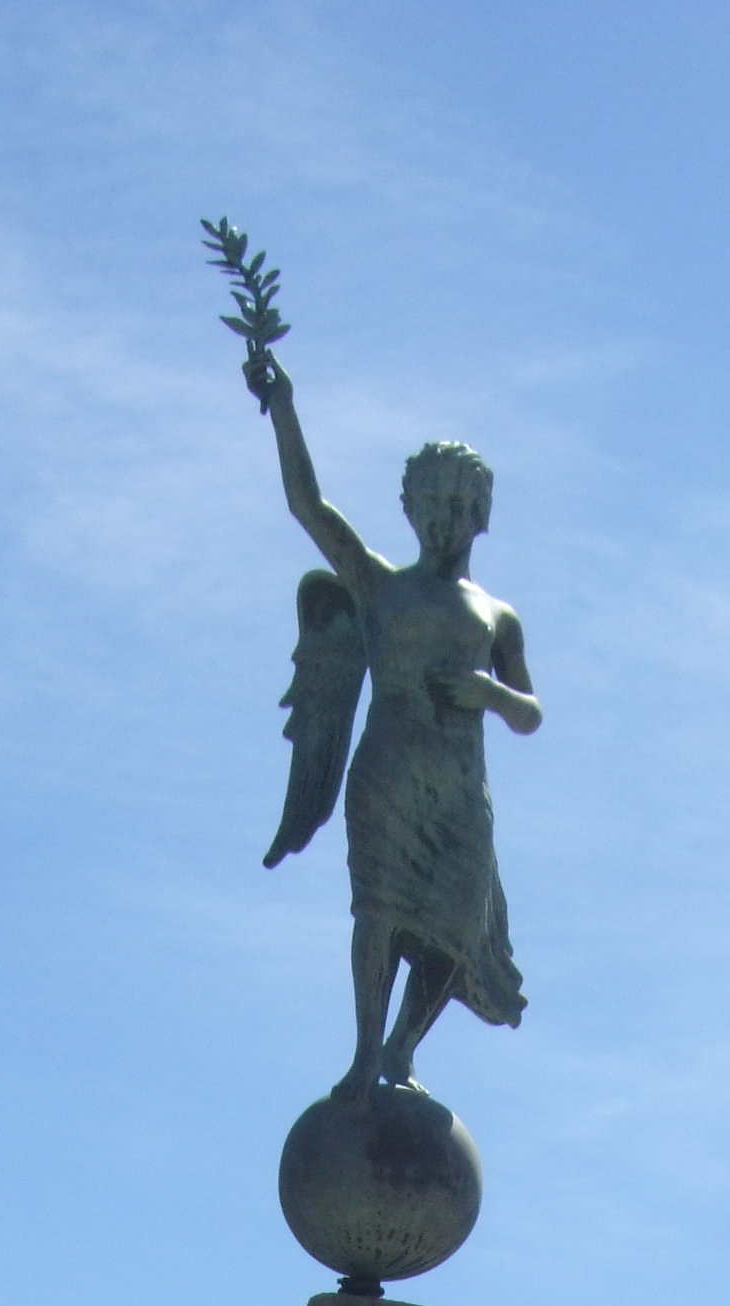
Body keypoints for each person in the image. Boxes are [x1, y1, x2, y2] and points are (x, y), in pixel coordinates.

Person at [252, 354, 541, 1099]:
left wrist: (489, 693)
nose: (444, 520)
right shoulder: (381, 588)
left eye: (458, 505)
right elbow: (307, 506)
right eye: (432, 504)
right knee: (379, 912)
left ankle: (401, 1047)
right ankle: (361, 1054)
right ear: (411, 509)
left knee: (455, 923)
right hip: (387, 775)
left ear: (480, 515)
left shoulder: (495, 615)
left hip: (457, 791)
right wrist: (283, 408)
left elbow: (529, 712)